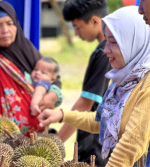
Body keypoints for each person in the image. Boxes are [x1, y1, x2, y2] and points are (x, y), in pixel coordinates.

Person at [38, 6, 150, 167]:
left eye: (113, 42)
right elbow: (102, 122)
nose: (105, 50)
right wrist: (62, 115)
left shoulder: (146, 85)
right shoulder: (122, 83)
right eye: (106, 41)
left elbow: (131, 144)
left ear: (134, 42)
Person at [0, 1, 62, 135]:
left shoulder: (27, 50)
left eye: (9, 23)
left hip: (37, 139)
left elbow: (52, 78)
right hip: (1, 143)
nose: (5, 30)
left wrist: (53, 95)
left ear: (16, 25)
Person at [57, 0, 111, 165]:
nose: (76, 33)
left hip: (98, 146)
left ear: (95, 21)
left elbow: (85, 104)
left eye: (77, 27)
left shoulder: (105, 51)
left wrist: (56, 143)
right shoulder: (105, 49)